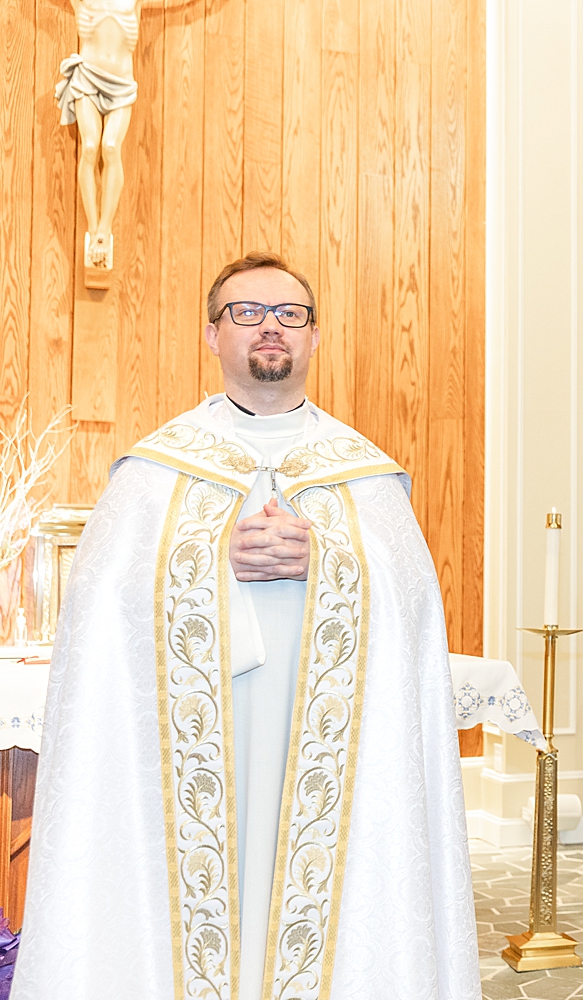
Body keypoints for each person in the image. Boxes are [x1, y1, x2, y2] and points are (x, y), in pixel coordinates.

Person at [14, 252, 480, 1000]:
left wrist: (328, 562)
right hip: (195, 753)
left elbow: (412, 605)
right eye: (248, 312)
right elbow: (101, 610)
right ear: (212, 335)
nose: (271, 327)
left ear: (314, 338)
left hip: (332, 757)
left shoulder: (365, 474)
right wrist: (204, 559)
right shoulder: (154, 471)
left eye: (290, 314)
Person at [56, 0, 149, 269]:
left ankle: (103, 231)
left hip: (122, 84)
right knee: (89, 146)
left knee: (110, 147)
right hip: (87, 76)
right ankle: (94, 226)